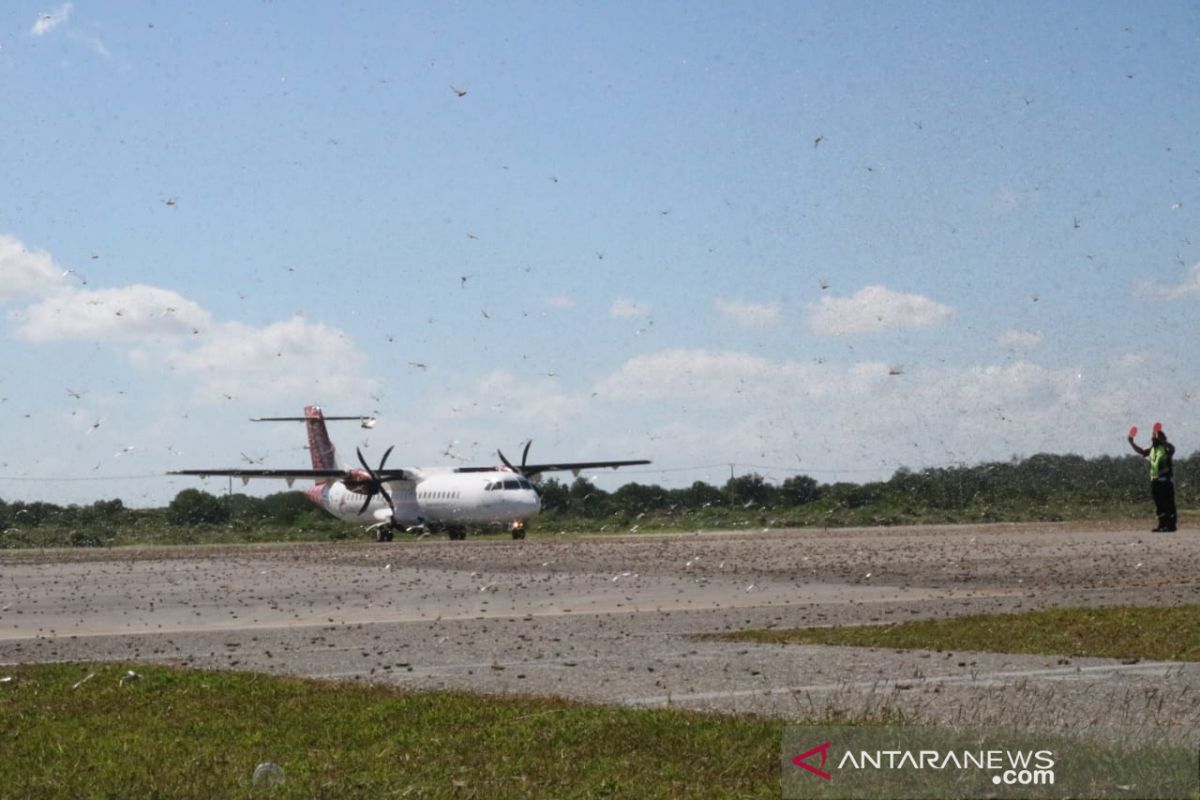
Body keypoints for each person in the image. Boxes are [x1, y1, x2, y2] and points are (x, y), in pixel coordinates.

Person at [1128, 423, 1176, 532]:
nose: (1153, 438)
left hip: (1166, 482)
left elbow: (1172, 448)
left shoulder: (1166, 449)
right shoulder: (1152, 450)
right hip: (1155, 481)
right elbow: (1142, 451)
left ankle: (1170, 526)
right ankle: (1162, 524)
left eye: (1155, 437)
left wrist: (1162, 439)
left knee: (1168, 504)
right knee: (1159, 505)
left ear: (1162, 439)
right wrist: (1132, 442)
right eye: (1152, 437)